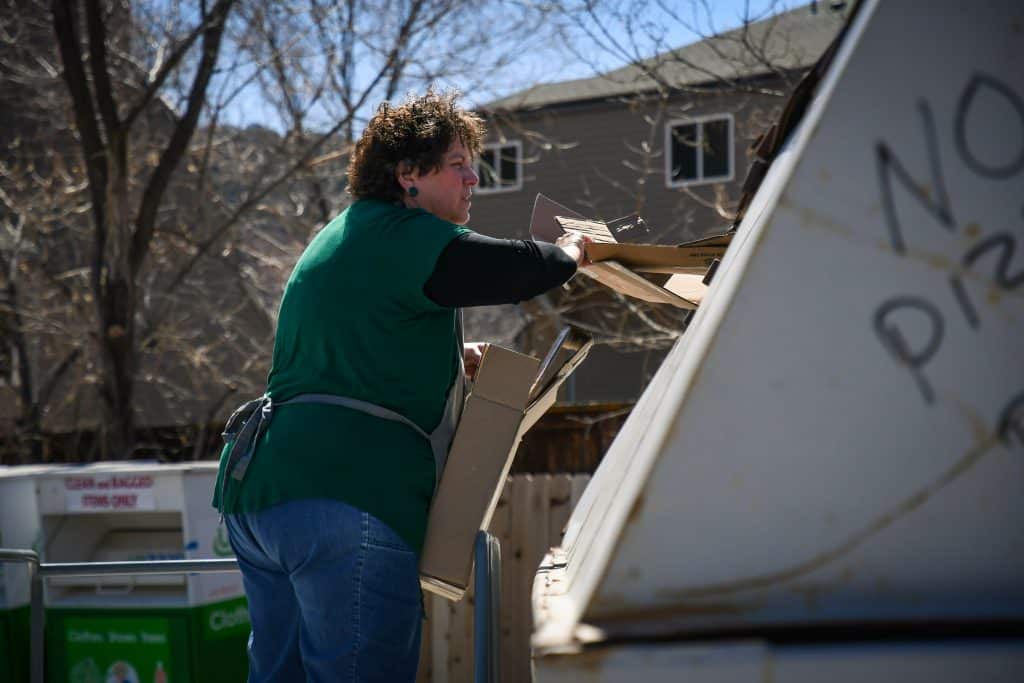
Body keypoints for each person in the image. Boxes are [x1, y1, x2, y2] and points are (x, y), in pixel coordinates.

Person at [212, 90, 588, 683]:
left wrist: (448, 355)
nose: (473, 177)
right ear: (408, 174)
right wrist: (575, 248)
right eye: (457, 163)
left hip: (259, 495)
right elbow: (518, 269)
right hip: (345, 497)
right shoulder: (405, 234)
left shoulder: (343, 236)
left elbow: (344, 350)